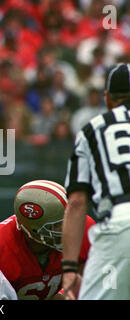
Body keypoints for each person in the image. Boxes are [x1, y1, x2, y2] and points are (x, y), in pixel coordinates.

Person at [62, 63, 130, 300]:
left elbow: (77, 202)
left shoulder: (93, 128)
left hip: (119, 224)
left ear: (107, 99)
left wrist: (69, 268)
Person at [0, 180, 95, 300]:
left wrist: (65, 294)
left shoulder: (85, 227)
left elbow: (92, 277)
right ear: (34, 230)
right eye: (61, 223)